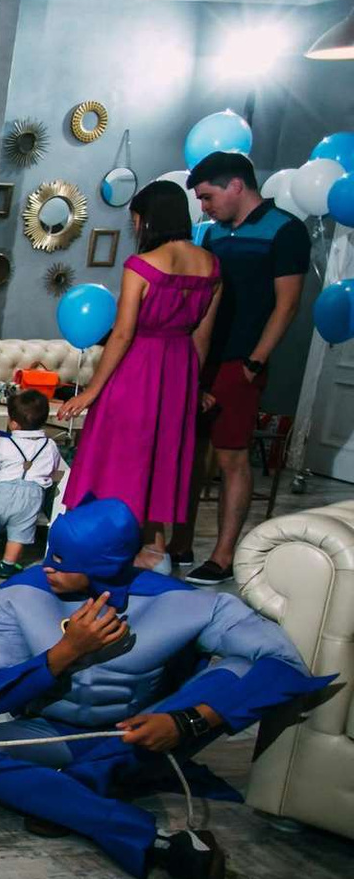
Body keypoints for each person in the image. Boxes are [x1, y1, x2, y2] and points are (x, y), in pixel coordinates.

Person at [0, 498, 334, 879]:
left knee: (242, 664)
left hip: (147, 730)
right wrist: (66, 651)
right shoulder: (17, 596)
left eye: (61, 560)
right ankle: (158, 841)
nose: (46, 566)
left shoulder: (187, 603)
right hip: (51, 731)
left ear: (102, 562)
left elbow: (284, 663)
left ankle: (67, 794)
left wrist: (190, 720)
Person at [56, 181, 219, 562]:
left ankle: (108, 547)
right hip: (179, 370)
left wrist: (91, 391)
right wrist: (193, 386)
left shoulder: (141, 265)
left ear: (147, 219)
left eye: (135, 220)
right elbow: (203, 336)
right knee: (162, 459)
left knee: (120, 458)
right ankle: (155, 550)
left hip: (137, 370)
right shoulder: (211, 266)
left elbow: (123, 333)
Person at [169, 153, 308, 585]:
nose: (204, 207)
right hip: (202, 357)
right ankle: (180, 543)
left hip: (241, 361)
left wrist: (255, 361)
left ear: (235, 186)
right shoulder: (213, 234)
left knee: (231, 456)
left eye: (207, 197)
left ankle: (223, 556)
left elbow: (287, 304)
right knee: (190, 454)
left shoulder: (285, 230)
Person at [0, 389, 61, 578]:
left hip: (3, 491)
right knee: (20, 530)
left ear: (13, 423)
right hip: (33, 493)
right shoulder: (50, 446)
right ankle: (8, 564)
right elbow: (53, 467)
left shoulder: (6, 444)